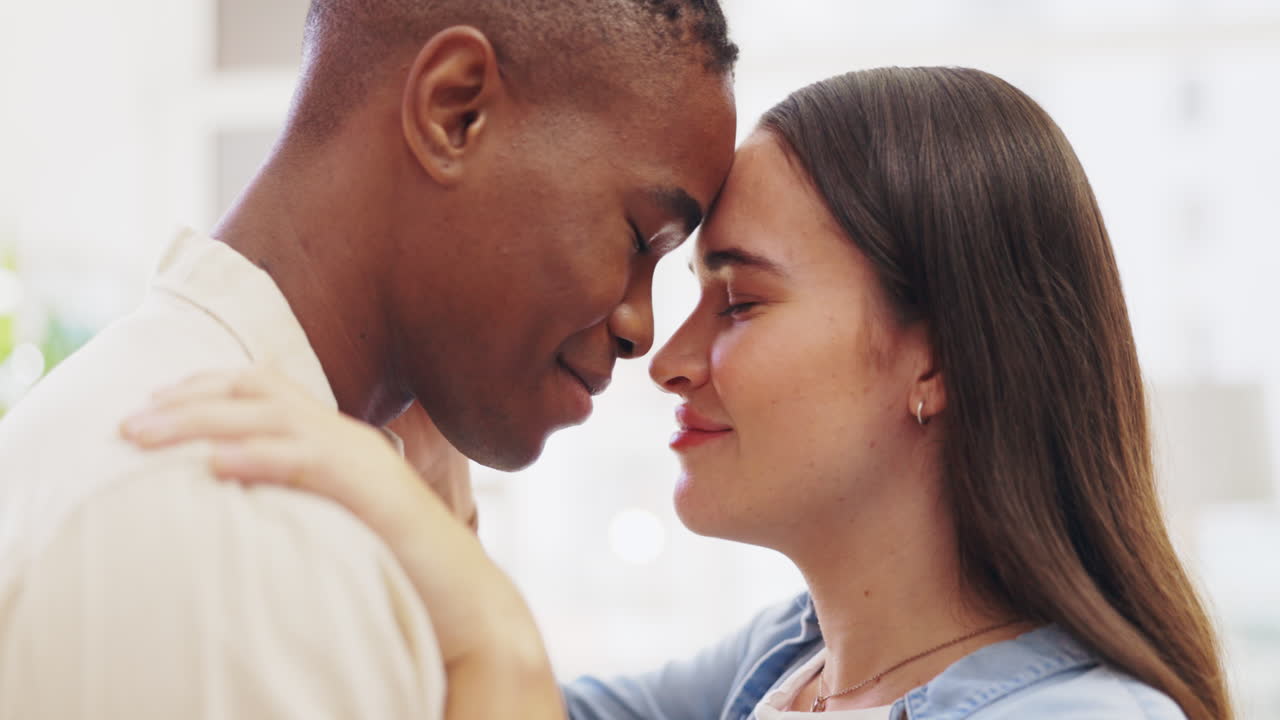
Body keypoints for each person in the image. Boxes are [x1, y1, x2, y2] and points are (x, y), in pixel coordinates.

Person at [129, 67, 1234, 720]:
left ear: (935, 359)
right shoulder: (790, 665)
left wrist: (486, 621)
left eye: (738, 303)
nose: (664, 356)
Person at [0, 1, 738, 717]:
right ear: (456, 113)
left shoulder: (301, 501)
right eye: (642, 237)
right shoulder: (223, 530)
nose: (643, 331)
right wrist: (503, 648)